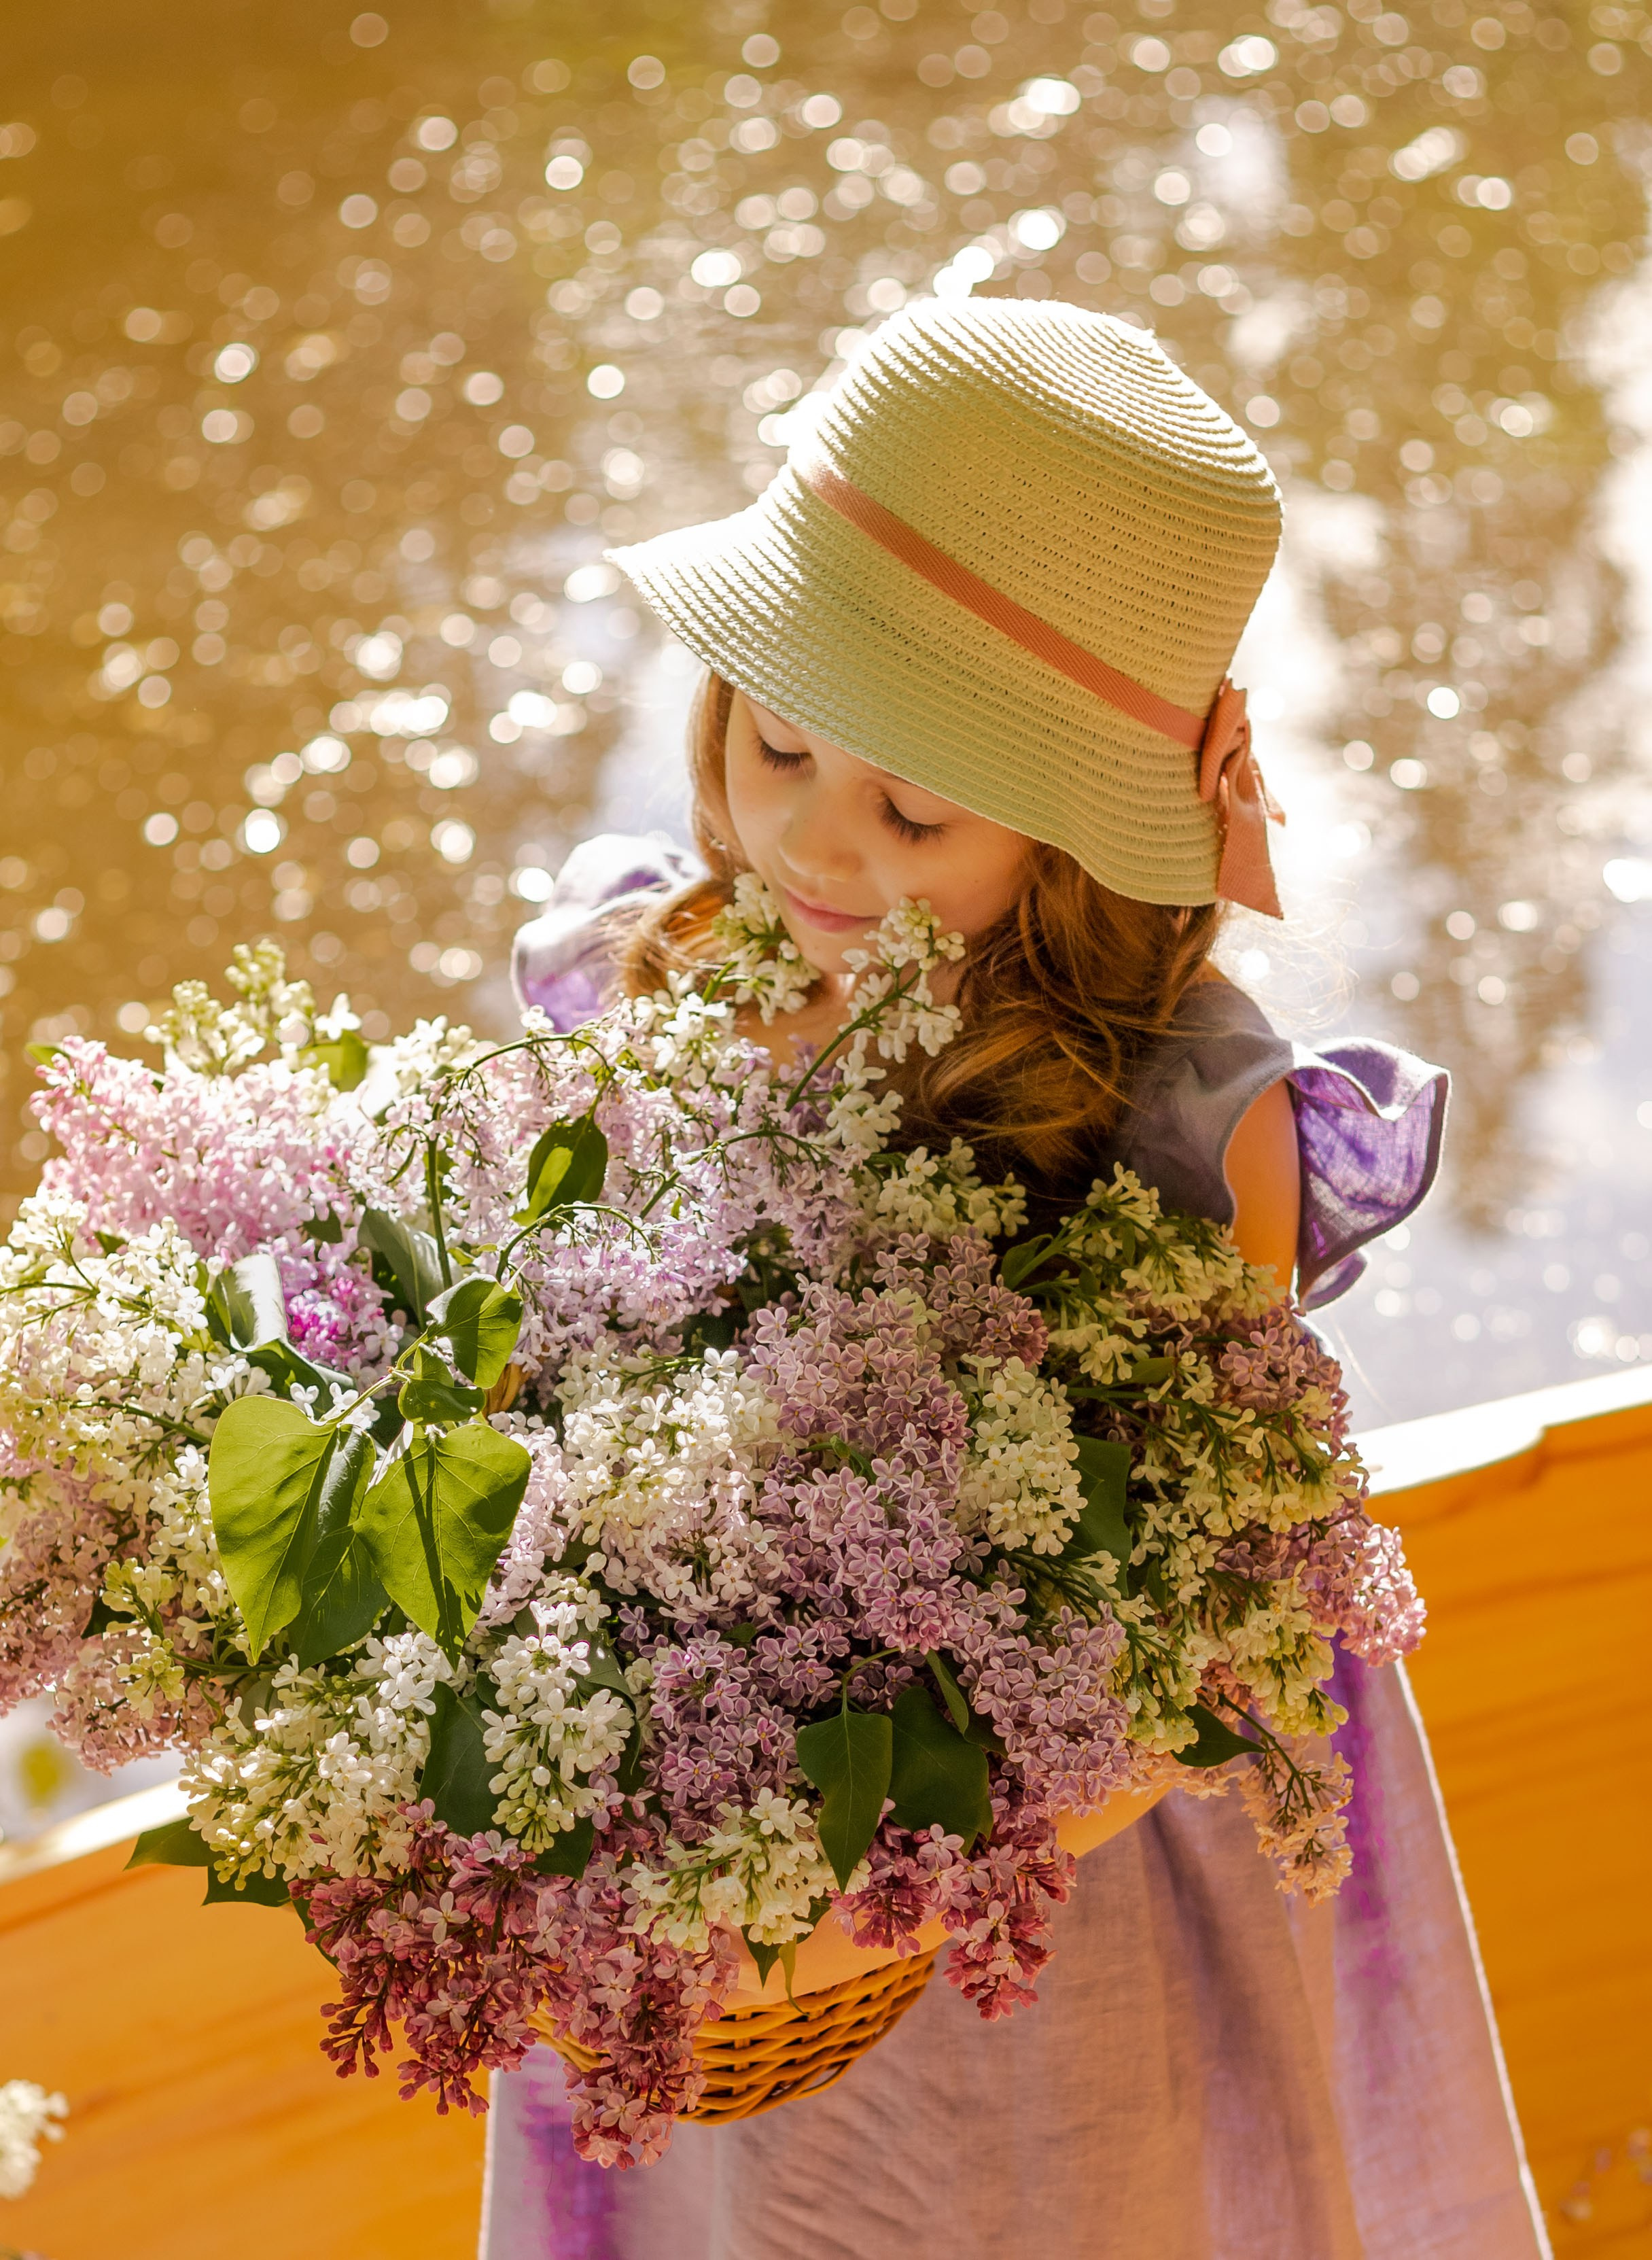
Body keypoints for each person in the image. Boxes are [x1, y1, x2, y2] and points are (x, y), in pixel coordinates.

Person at [480, 300, 1548, 2259]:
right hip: (703, 1880)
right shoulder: (665, 972)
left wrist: (849, 1876)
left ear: (1073, 844)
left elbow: (1213, 1619)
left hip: (1049, 1887)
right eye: (780, 735)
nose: (811, 837)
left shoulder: (1183, 1117)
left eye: (916, 812)